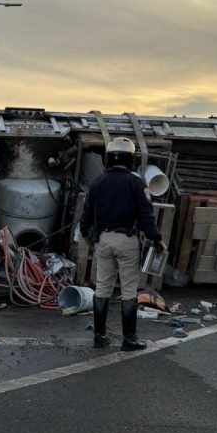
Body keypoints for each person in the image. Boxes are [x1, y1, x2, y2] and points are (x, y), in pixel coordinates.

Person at [79, 137, 165, 350]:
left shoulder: (97, 182)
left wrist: (88, 238)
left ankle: (99, 337)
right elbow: (147, 217)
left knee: (102, 289)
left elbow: (85, 216)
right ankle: (129, 339)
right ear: (131, 158)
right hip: (127, 240)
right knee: (128, 290)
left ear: (108, 158)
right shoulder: (136, 183)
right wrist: (157, 239)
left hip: (103, 240)